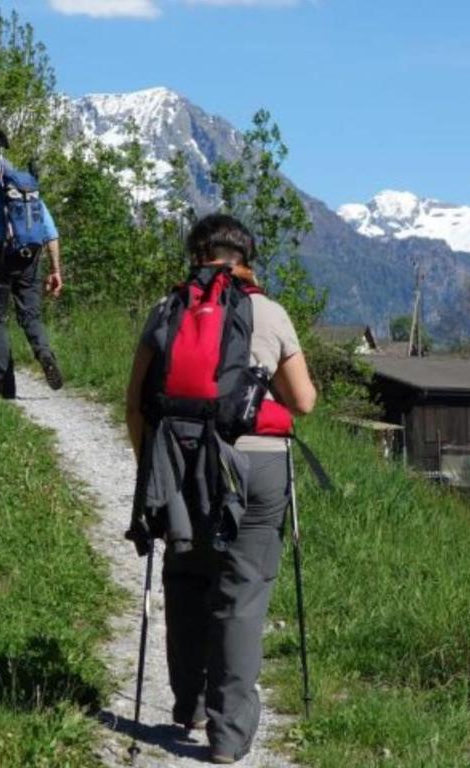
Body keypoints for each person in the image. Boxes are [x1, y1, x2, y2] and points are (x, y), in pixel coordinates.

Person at [125, 213, 316, 764]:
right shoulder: (268, 312)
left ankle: (191, 705)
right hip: (256, 468)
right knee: (241, 595)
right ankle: (229, 740)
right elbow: (302, 402)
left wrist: (153, 468)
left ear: (196, 255)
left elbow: (135, 401)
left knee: (186, 577)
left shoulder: (166, 310)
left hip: (182, 463)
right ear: (247, 257)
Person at [0, 156, 64, 398]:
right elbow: (51, 235)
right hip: (30, 261)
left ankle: (5, 385)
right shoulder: (30, 195)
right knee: (31, 316)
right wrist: (56, 271)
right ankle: (44, 353)